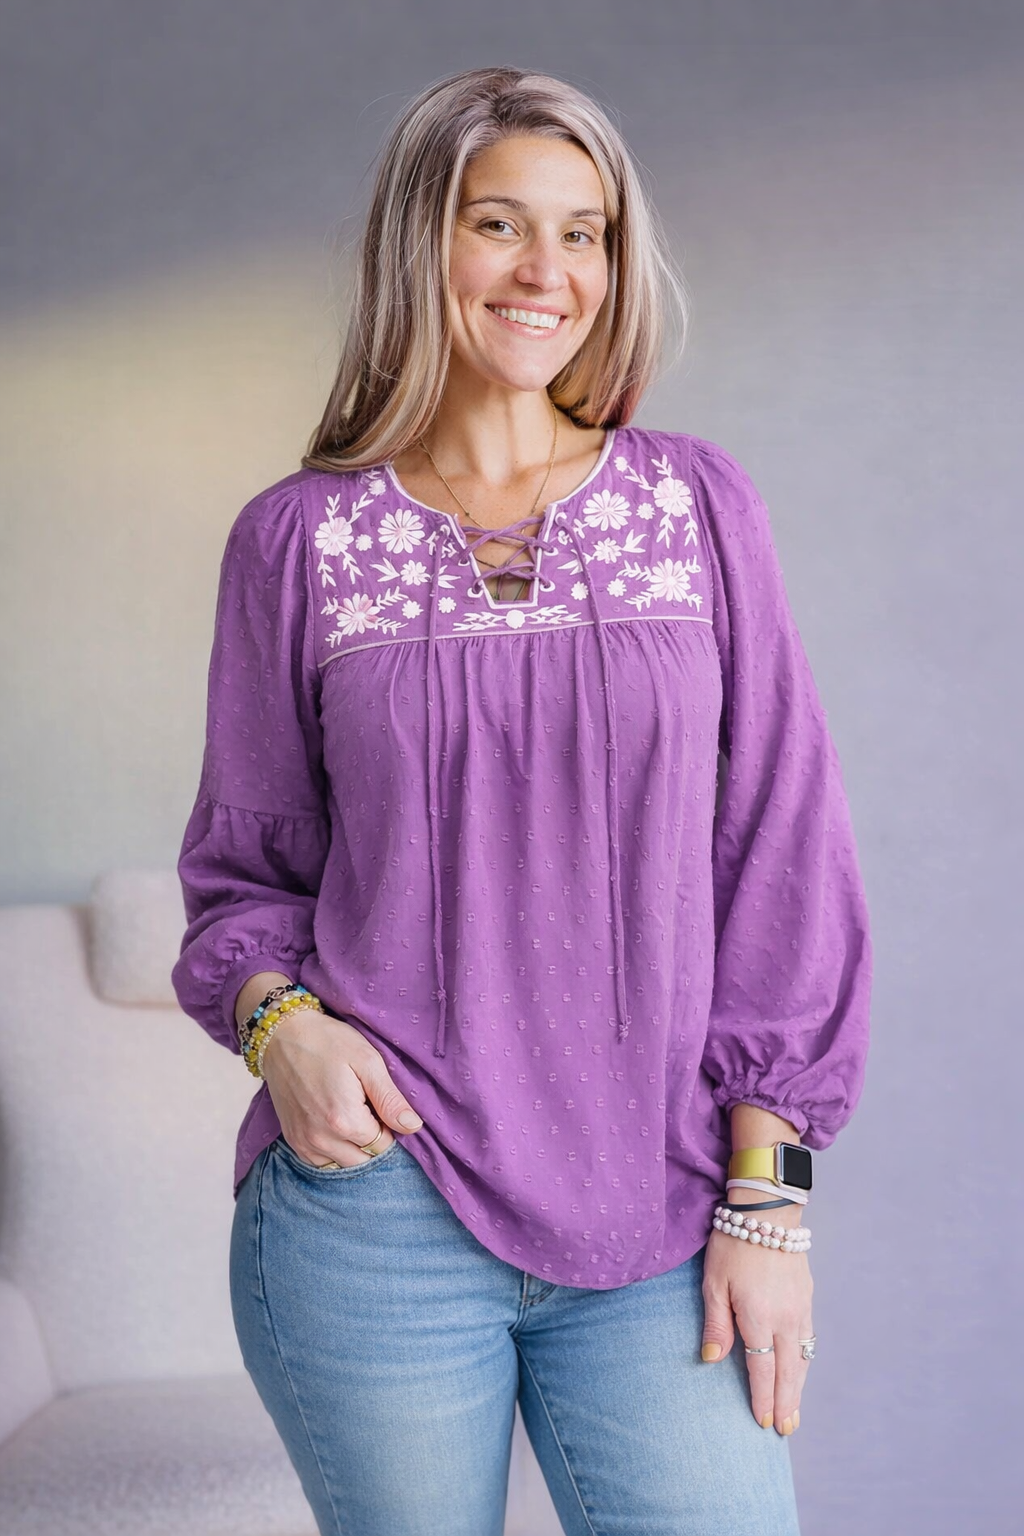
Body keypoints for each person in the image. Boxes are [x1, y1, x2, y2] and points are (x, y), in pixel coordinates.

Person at [172, 65, 871, 1536]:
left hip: (664, 1212)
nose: (547, 270)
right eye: (500, 223)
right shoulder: (297, 542)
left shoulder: (695, 508)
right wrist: (281, 1029)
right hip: (377, 1216)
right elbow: (244, 873)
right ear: (420, 246)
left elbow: (783, 859)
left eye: (585, 232)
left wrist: (769, 1206)